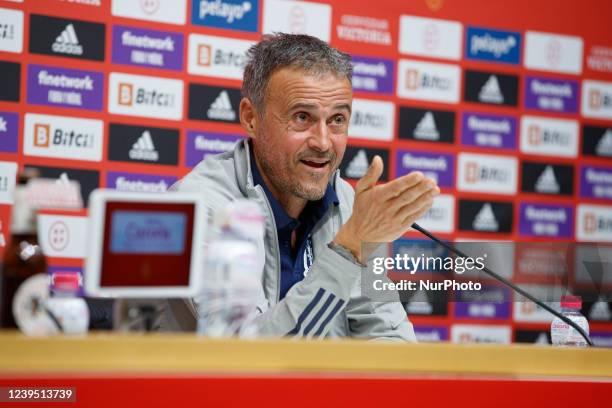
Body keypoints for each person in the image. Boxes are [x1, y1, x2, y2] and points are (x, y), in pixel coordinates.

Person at [159, 33, 439, 340]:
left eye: (337, 120)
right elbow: (246, 354)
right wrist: (347, 249)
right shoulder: (201, 206)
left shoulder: (348, 204)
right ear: (251, 118)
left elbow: (386, 332)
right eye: (302, 117)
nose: (322, 142)